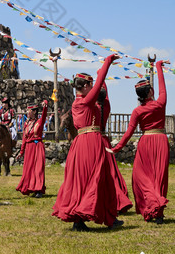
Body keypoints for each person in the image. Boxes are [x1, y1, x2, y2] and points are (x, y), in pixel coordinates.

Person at [52, 54, 123, 231]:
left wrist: (101, 73)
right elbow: (98, 86)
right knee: (95, 179)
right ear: (84, 87)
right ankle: (84, 218)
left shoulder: (85, 103)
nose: (93, 88)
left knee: (95, 179)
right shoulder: (83, 102)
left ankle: (105, 217)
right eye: (90, 86)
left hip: (85, 143)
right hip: (89, 143)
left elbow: (103, 97)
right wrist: (106, 64)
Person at [112, 60, 170, 224]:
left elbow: (129, 132)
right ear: (151, 92)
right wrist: (158, 66)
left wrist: (117, 148)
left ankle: (151, 208)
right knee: (159, 177)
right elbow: (163, 87)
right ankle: (157, 211)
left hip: (145, 142)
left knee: (142, 177)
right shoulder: (160, 103)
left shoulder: (137, 111)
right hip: (160, 141)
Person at [98, 83, 133, 214]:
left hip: (95, 141)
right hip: (105, 141)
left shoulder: (91, 107)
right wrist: (102, 77)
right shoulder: (105, 107)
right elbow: (106, 95)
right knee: (112, 172)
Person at [16, 100, 48, 198]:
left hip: (37, 146)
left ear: (34, 112)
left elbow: (44, 115)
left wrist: (45, 107)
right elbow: (24, 138)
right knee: (29, 169)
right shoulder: (26, 123)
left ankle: (39, 190)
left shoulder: (39, 121)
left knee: (38, 168)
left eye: (29, 111)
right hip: (29, 148)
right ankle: (30, 188)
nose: (27, 113)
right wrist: (21, 152)